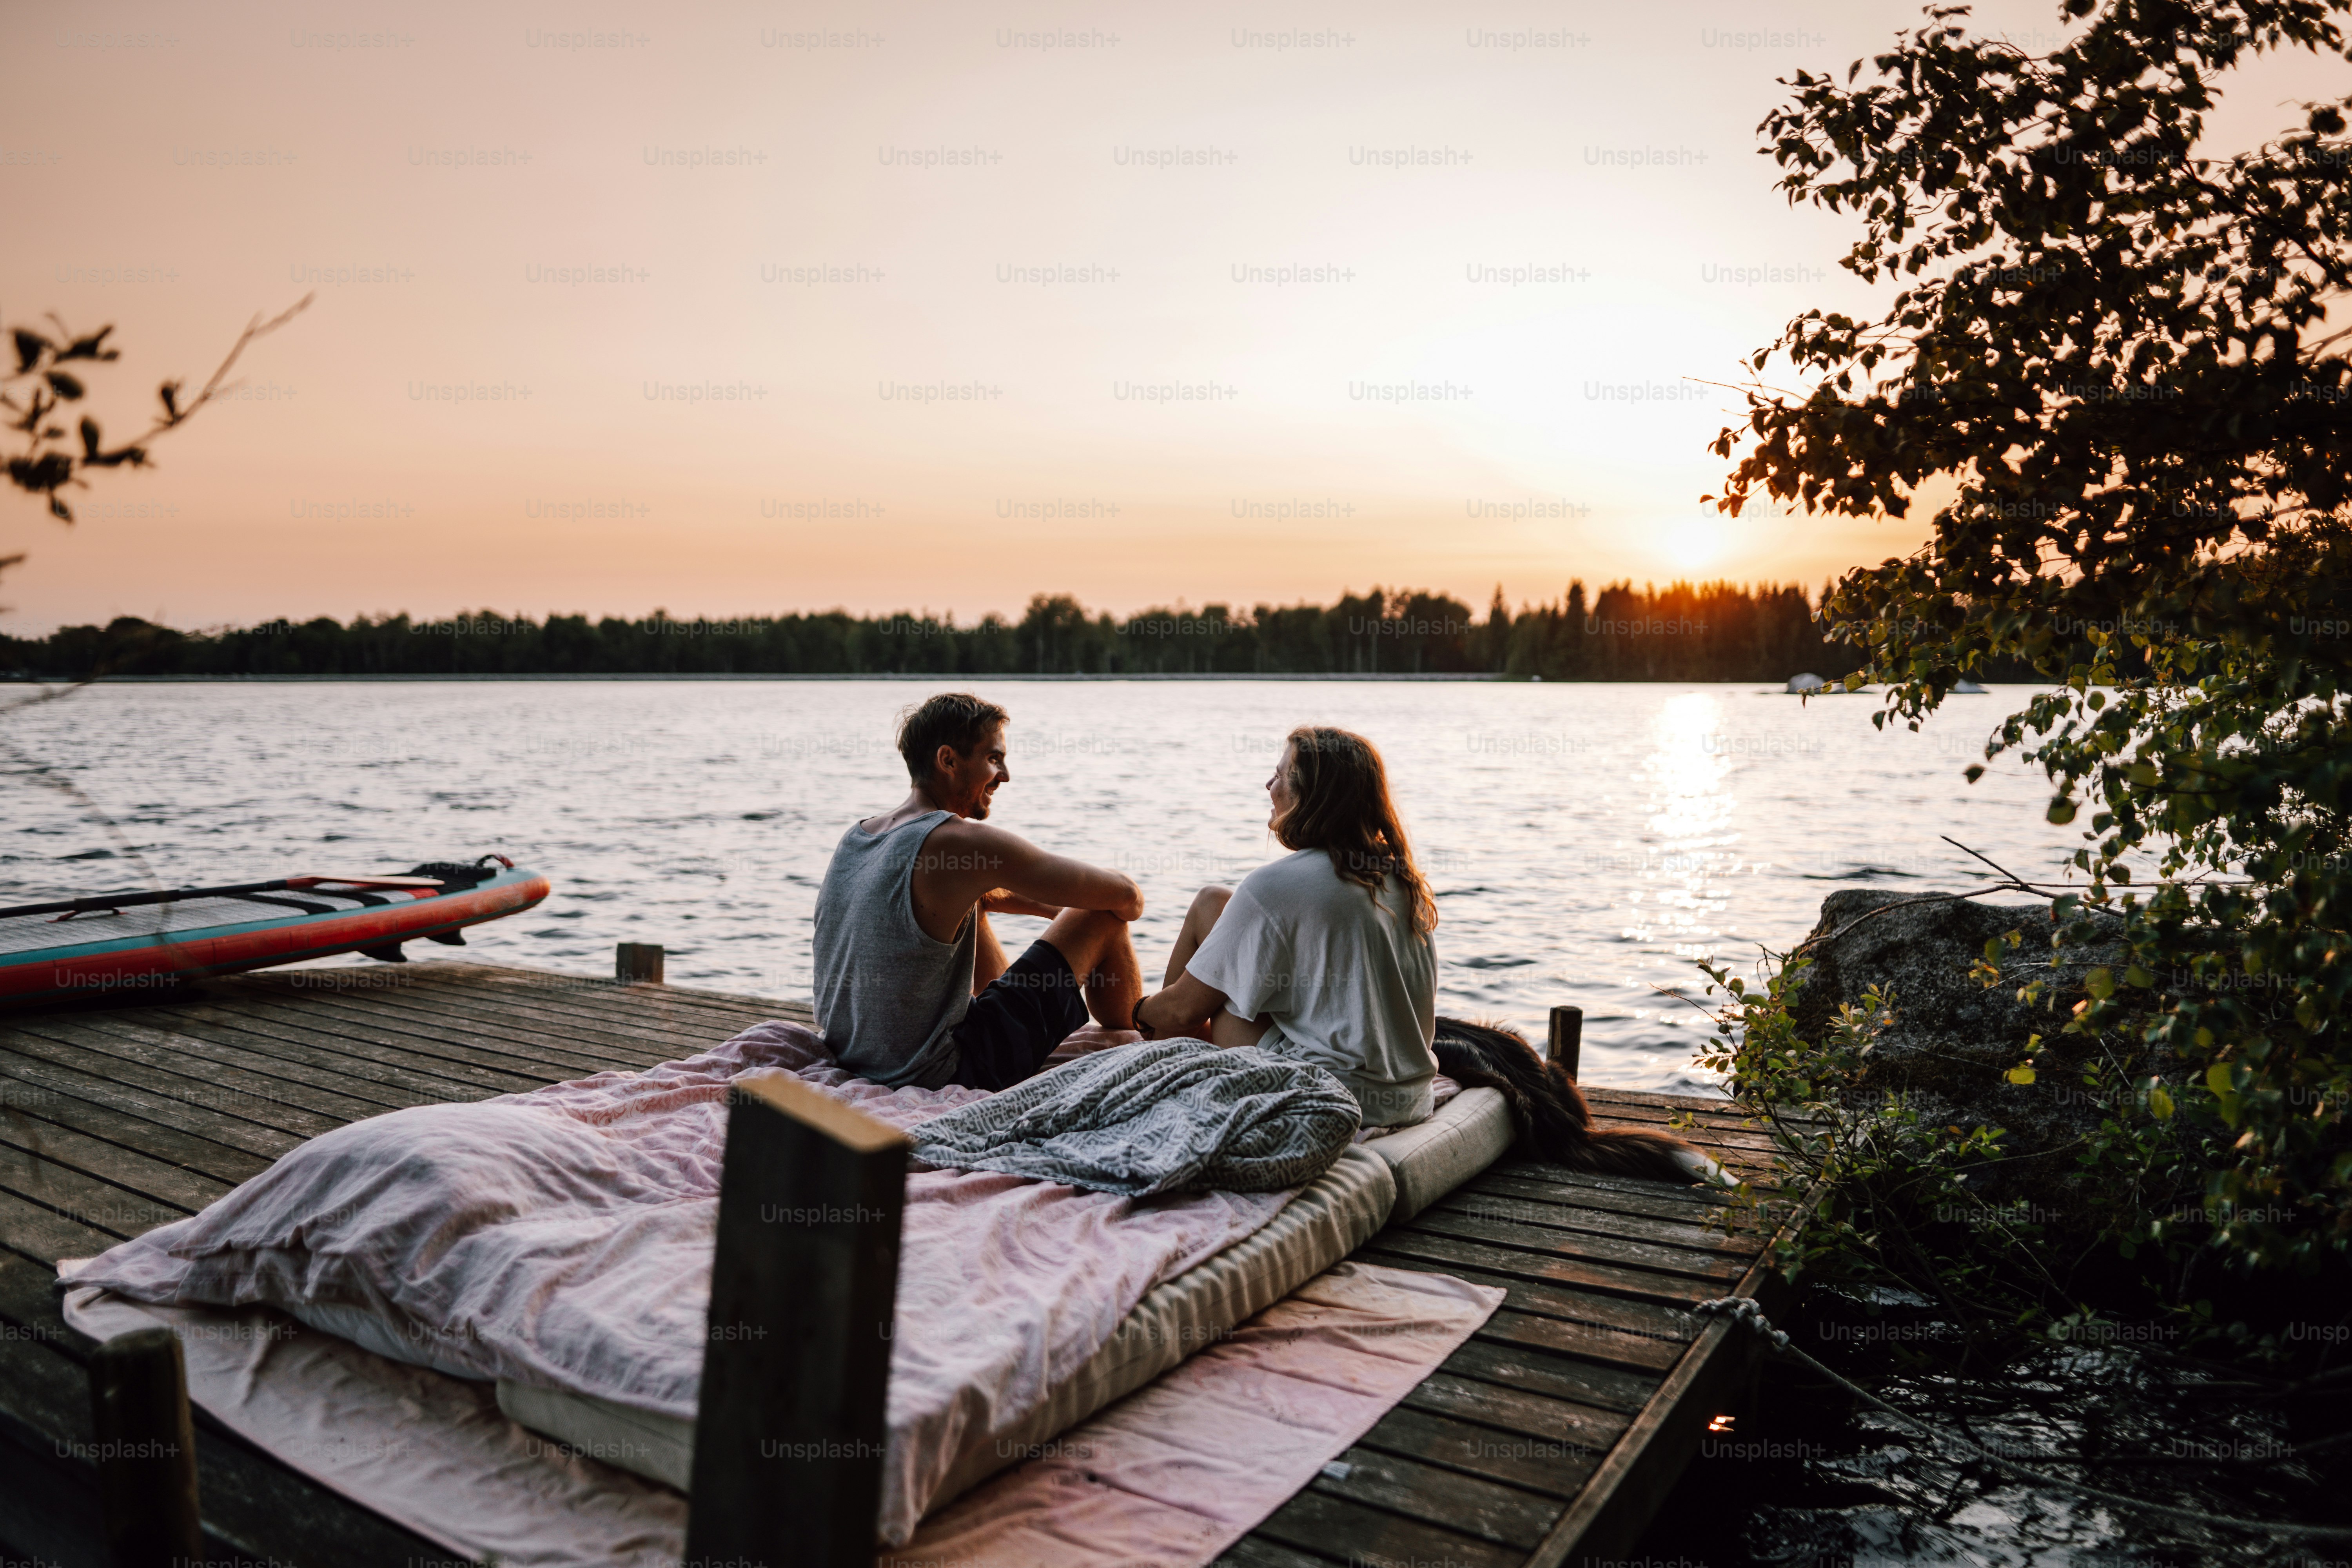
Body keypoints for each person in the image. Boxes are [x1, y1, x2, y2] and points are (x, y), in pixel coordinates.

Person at [812, 692, 1144, 1091]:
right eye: (993, 759)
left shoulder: (860, 836)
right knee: (1099, 917)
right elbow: (1127, 897)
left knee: (980, 902)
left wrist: (1048, 906)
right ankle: (1147, 1035)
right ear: (948, 760)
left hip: (857, 1059)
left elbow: (963, 892)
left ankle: (1028, 1028)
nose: (1005, 775)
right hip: (943, 1072)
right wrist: (1073, 915)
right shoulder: (961, 842)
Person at [1133, 725, 1439, 1128]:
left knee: (1208, 985)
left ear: (1309, 795)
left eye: (1279, 775)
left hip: (1330, 1095)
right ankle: (1165, 1043)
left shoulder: (1276, 885)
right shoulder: (1399, 876)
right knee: (1215, 905)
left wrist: (1139, 1011)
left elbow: (1185, 1009)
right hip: (1409, 1097)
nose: (1268, 784)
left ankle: (1160, 1053)